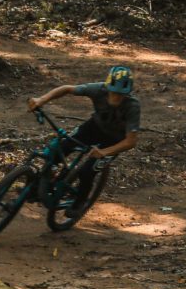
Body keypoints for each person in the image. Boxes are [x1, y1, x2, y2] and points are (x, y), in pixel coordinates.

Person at [26, 65, 142, 202]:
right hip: (94, 127)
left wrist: (105, 152)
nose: (116, 98)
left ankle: (79, 204)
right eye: (113, 92)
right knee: (58, 151)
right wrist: (42, 99)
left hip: (114, 140)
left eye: (121, 94)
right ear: (107, 87)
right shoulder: (98, 89)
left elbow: (130, 141)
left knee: (87, 172)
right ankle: (36, 188)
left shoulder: (133, 106)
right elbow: (67, 89)